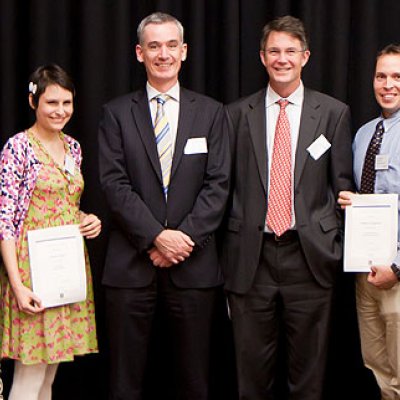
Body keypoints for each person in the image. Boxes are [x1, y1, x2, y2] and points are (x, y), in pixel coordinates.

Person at [221, 15, 354, 399]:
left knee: (308, 379)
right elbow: (225, 187)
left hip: (310, 258)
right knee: (252, 380)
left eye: (290, 51)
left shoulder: (333, 114)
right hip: (252, 259)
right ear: (263, 57)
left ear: (306, 56)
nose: (283, 59)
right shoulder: (235, 115)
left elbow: (341, 186)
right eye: (275, 51)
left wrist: (336, 245)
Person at [98, 12, 229, 400]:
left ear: (184, 51)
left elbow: (219, 184)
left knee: (193, 382)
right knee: (125, 383)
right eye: (154, 46)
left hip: (194, 267)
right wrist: (157, 236)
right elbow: (113, 183)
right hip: (131, 267)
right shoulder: (116, 113)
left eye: (171, 45)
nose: (163, 54)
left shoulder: (211, 112)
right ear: (139, 53)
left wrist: (182, 239)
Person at [0, 64, 101, 400]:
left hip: (65, 268)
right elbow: (6, 221)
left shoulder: (73, 147)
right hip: (31, 271)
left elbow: (66, 203)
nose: (60, 111)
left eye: (67, 103)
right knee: (28, 379)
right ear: (33, 102)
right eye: (52, 102)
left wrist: (88, 219)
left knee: (48, 380)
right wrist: (17, 286)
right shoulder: (18, 148)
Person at [338, 44, 400, 399]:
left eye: (396, 76)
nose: (387, 84)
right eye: (381, 76)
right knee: (376, 362)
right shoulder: (364, 134)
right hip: (366, 271)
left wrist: (397, 265)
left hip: (396, 270)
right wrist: (352, 202)